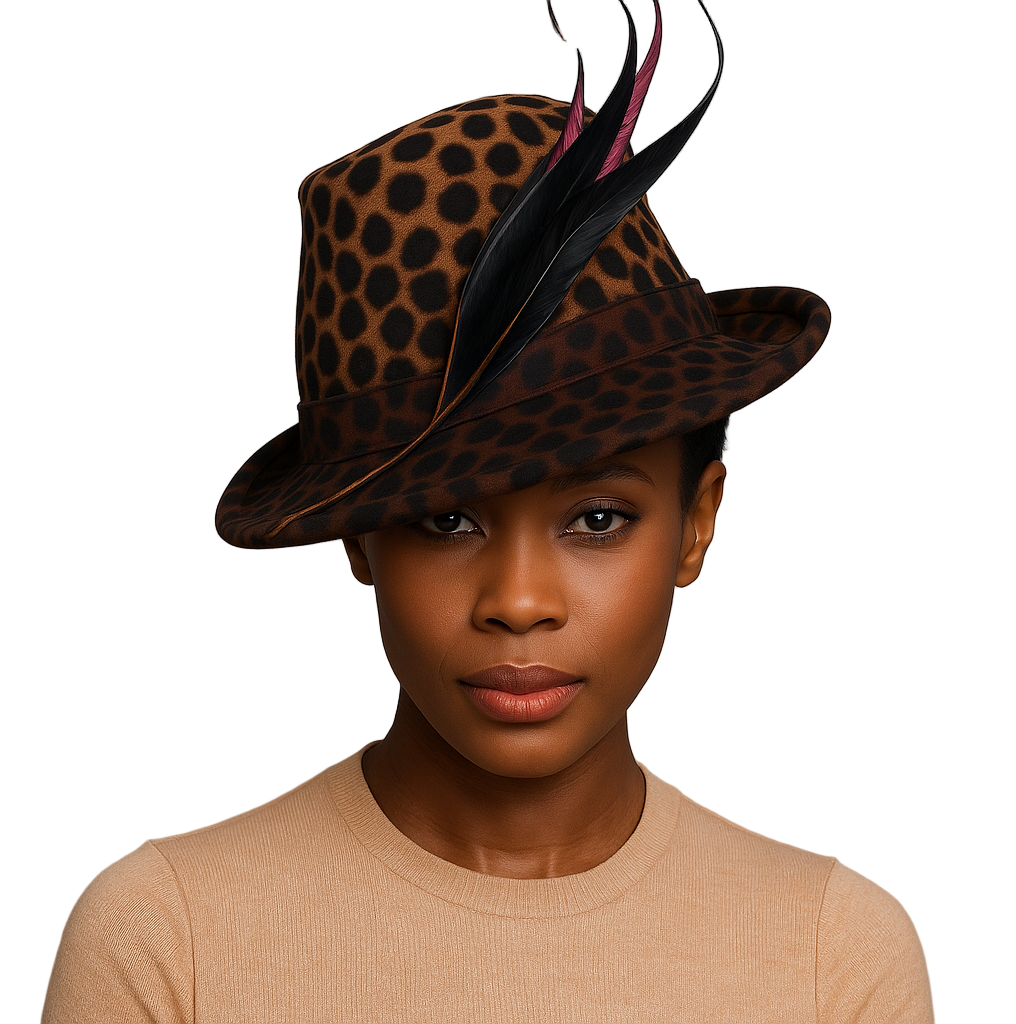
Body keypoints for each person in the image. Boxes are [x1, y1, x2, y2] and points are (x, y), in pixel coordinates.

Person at [42, 2, 933, 1021]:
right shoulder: (169, 940)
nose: (517, 600)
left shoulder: (829, 958)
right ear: (357, 532)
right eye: (446, 519)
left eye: (596, 518)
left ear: (697, 519)